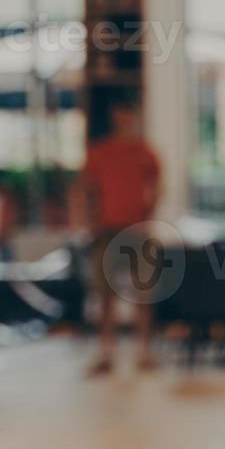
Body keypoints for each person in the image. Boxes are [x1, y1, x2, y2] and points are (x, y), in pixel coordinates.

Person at [79, 100, 162, 375]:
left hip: (137, 230)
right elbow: (87, 189)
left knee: (143, 293)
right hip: (106, 230)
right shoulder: (99, 152)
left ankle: (143, 351)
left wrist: (148, 215)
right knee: (105, 295)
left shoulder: (145, 152)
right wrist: (90, 221)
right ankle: (106, 353)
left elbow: (158, 185)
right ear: (115, 116)